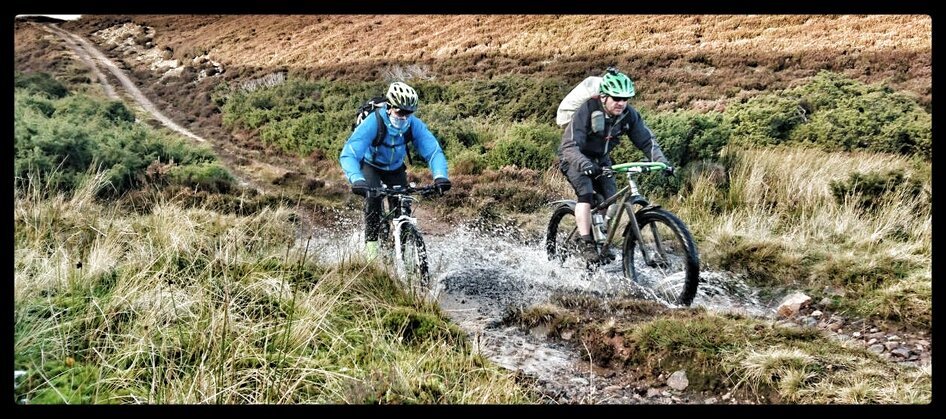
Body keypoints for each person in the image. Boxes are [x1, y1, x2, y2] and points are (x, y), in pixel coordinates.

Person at [557, 68, 672, 264]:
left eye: (625, 99)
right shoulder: (588, 109)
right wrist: (584, 164)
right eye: (616, 98)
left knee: (609, 198)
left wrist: (661, 161)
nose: (621, 103)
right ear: (603, 97)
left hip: (601, 160)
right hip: (574, 157)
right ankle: (587, 243)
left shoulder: (628, 115)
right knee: (586, 194)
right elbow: (570, 145)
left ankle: (598, 236)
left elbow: (646, 141)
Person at [339, 81, 451, 258]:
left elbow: (433, 151)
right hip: (371, 166)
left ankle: (405, 250)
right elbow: (349, 153)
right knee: (373, 202)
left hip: (395, 168)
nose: (404, 117)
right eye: (400, 111)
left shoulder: (413, 124)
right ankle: (372, 252)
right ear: (389, 107)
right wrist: (357, 179)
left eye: (409, 113)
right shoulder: (373, 122)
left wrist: (440, 176)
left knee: (403, 208)